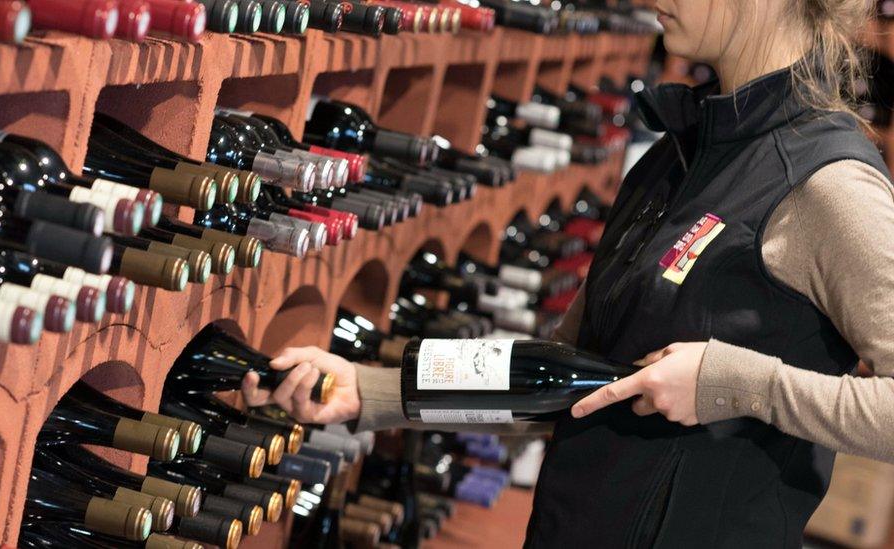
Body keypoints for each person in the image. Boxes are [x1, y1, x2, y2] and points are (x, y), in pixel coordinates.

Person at [243, 0, 894, 546]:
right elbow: (561, 373)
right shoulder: (676, 157)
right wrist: (375, 391)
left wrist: (735, 384)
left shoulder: (827, 186)